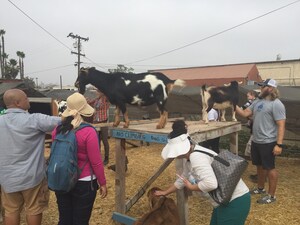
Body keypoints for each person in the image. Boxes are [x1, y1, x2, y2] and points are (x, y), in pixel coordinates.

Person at [155, 120, 250, 225]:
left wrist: (191, 187)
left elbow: (211, 183)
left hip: (235, 201)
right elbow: (182, 179)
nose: (174, 155)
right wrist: (165, 192)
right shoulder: (190, 157)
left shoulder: (196, 157)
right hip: (224, 200)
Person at [0, 89, 61, 225]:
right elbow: (61, 122)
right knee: (34, 209)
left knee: (11, 210)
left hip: (7, 178)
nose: (29, 100)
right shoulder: (34, 119)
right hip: (32, 177)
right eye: (26, 98)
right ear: (18, 103)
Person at [53, 92, 107, 225]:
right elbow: (96, 161)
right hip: (84, 182)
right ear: (85, 110)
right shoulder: (89, 131)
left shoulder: (58, 130)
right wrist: (103, 183)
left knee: (64, 219)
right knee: (81, 221)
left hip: (62, 179)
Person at [236, 78, 286, 204]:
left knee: (270, 168)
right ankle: (260, 188)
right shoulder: (258, 101)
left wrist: (279, 144)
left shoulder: (277, 104)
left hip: (268, 142)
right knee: (259, 166)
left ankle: (272, 196)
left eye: (263, 86)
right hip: (256, 140)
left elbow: (281, 125)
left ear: (270, 88)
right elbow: (244, 113)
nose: (260, 88)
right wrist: (232, 103)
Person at [88, 89, 110, 165]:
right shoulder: (96, 100)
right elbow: (89, 103)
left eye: (98, 91)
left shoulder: (105, 99)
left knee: (105, 140)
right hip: (96, 122)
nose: (97, 93)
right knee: (97, 141)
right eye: (97, 92)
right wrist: (85, 100)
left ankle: (106, 158)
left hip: (103, 122)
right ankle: (98, 157)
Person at [242, 90, 258, 181]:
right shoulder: (255, 104)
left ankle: (261, 176)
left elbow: (244, 109)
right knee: (251, 151)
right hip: (254, 131)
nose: (247, 98)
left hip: (257, 133)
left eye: (248, 96)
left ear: (253, 96)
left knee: (252, 150)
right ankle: (259, 174)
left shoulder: (253, 103)